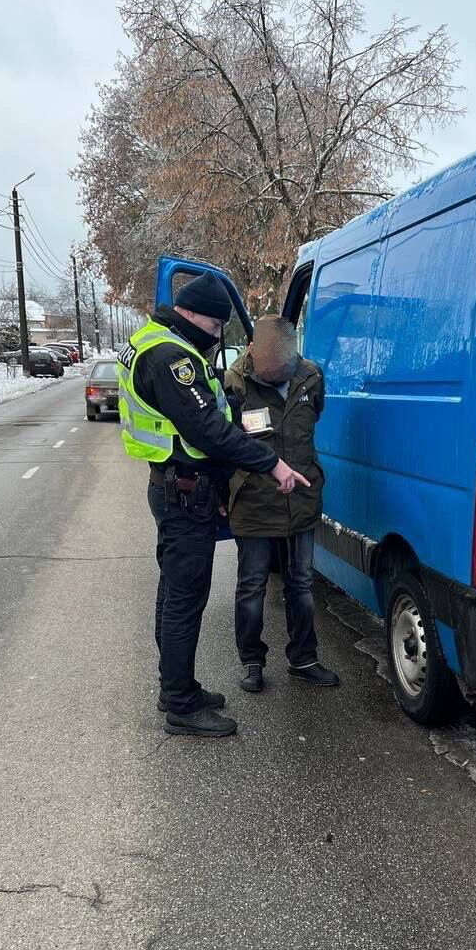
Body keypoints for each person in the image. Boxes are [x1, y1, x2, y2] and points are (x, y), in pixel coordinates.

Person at [117, 275, 309, 739]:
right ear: (192, 313)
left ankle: (176, 688)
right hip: (184, 490)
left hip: (175, 485)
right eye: (216, 323)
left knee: (173, 593)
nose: (218, 333)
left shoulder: (149, 341)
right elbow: (207, 429)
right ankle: (181, 704)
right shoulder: (171, 357)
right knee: (185, 599)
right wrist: (273, 463)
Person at [225, 316, 339, 694]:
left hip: (302, 498)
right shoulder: (236, 381)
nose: (274, 377)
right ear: (253, 352)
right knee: (252, 585)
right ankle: (252, 661)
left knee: (301, 583)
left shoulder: (311, 377)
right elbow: (224, 442)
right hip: (254, 501)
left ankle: (303, 658)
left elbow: (313, 419)